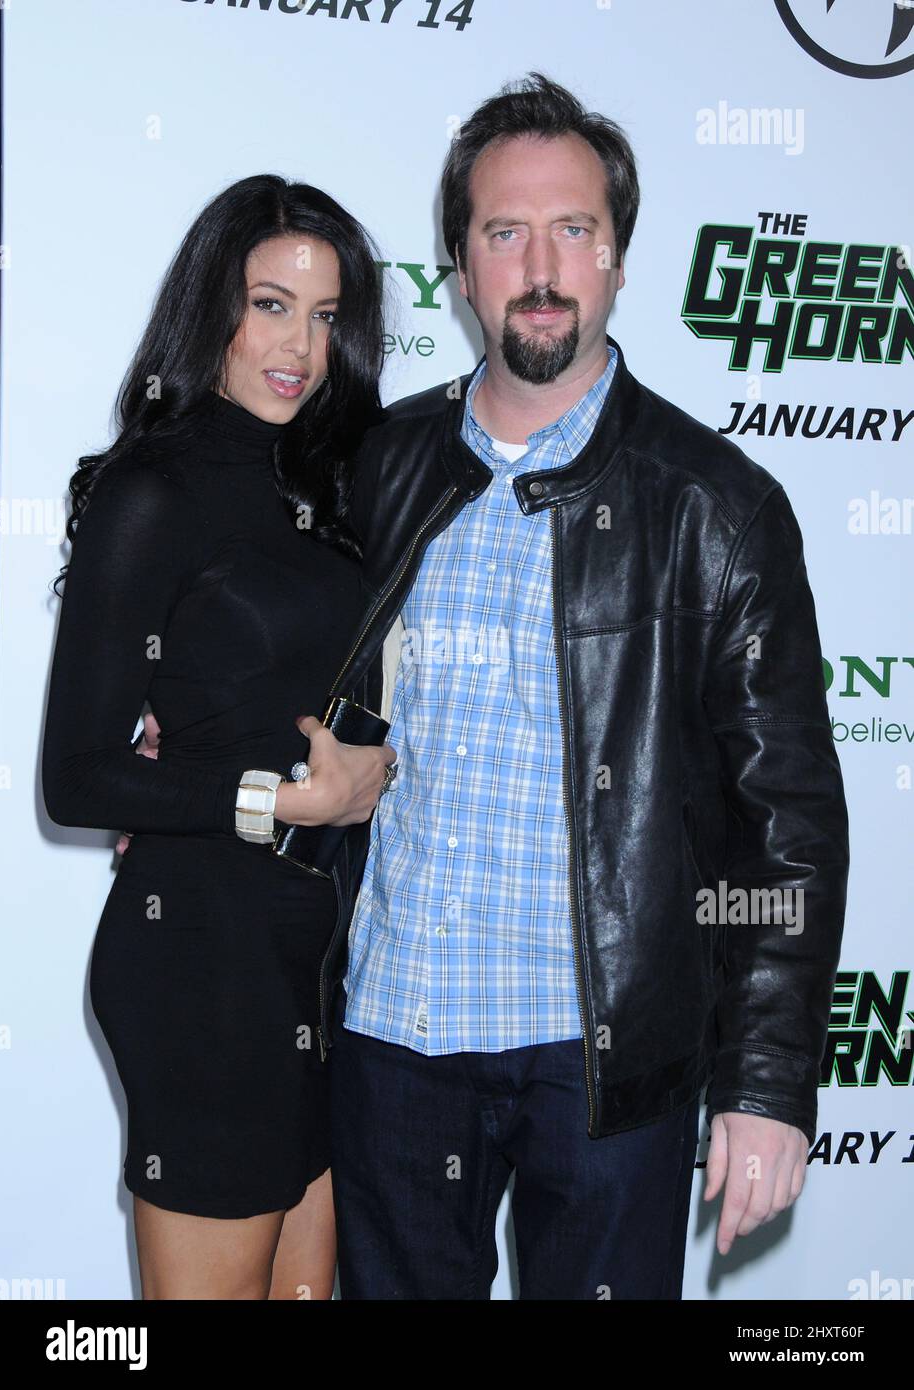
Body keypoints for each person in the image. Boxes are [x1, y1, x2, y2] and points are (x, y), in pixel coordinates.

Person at [318, 73, 851, 1299]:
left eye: (576, 232)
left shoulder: (717, 506)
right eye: (506, 232)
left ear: (619, 261)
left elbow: (787, 823)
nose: (542, 265)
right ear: (460, 264)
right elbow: (280, 668)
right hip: (394, 1032)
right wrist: (182, 767)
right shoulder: (380, 466)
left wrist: (766, 1085)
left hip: (604, 1056)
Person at [41, 174, 396, 1301]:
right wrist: (281, 802)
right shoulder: (155, 490)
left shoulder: (334, 486)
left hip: (313, 955)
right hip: (200, 956)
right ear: (213, 310)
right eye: (270, 304)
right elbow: (78, 774)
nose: (299, 344)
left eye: (327, 315)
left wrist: (371, 779)